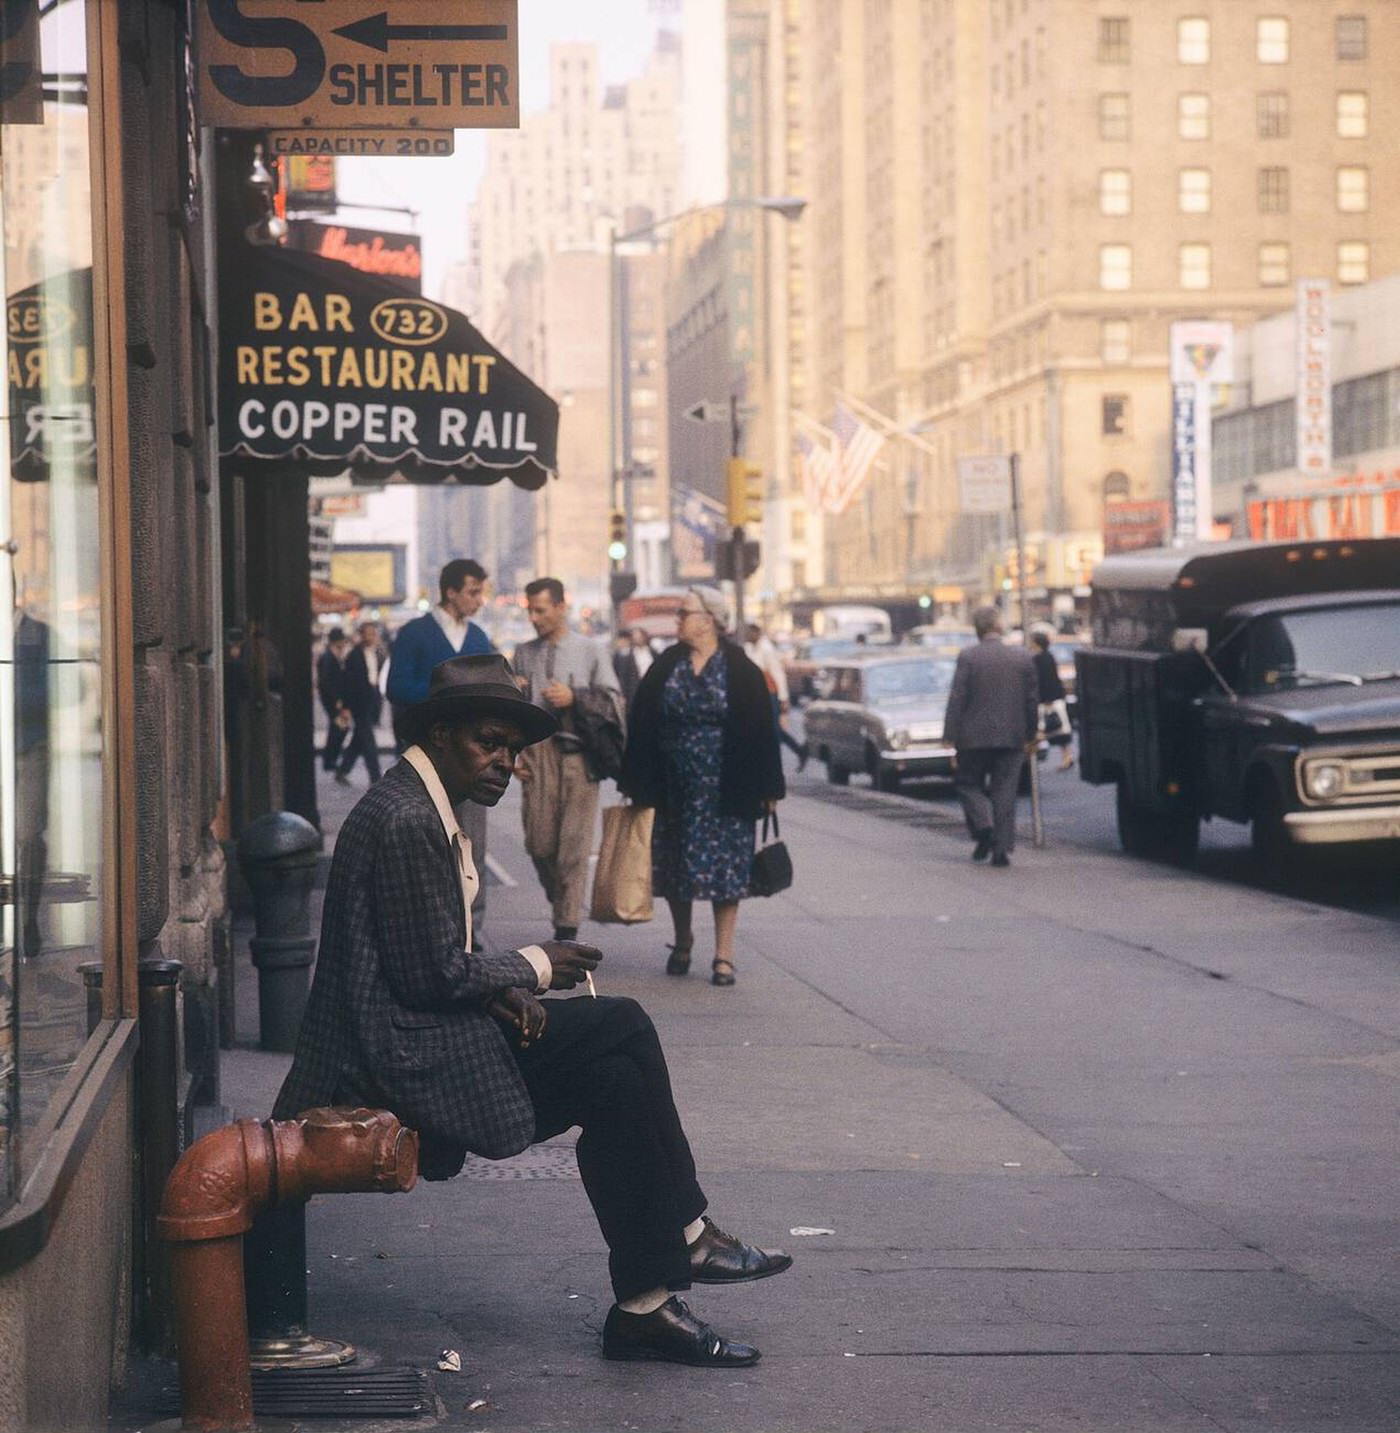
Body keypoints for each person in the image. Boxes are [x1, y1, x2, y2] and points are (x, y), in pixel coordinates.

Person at [272, 653, 791, 1367]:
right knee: (622, 1023)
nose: (505, 762)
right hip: (387, 1058)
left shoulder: (418, 804)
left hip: (412, 1035)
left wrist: (500, 988)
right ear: (443, 733)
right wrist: (535, 965)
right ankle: (690, 1232)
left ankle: (644, 1305)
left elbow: (424, 946)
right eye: (490, 741)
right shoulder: (404, 820)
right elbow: (428, 974)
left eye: (513, 749)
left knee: (616, 1084)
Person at [620, 587, 784, 987]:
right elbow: (642, 721)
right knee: (676, 866)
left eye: (683, 613)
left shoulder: (740, 668)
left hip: (727, 783)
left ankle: (723, 956)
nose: (677, 620)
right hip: (674, 785)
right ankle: (682, 941)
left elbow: (763, 729)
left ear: (709, 620)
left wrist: (769, 787)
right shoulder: (667, 663)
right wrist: (635, 781)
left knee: (727, 869)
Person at [387, 560, 494, 945]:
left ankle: (471, 929)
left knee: (473, 844)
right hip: (428, 758)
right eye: (472, 592)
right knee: (429, 842)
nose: (479, 600)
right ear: (450, 592)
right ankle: (434, 928)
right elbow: (397, 687)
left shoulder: (479, 637)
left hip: (475, 758)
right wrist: (447, 695)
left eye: (480, 592)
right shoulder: (415, 634)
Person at [512, 577, 623, 941]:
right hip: (537, 755)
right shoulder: (524, 653)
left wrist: (574, 697)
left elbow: (614, 703)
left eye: (541, 610)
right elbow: (511, 709)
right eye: (530, 610)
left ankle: (567, 927)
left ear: (561, 608)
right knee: (539, 844)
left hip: (578, 757)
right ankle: (562, 902)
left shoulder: (591, 650)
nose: (534, 618)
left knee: (572, 850)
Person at [943, 605, 1038, 868]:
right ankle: (1001, 849)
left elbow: (957, 698)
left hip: (972, 738)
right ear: (999, 627)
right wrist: (1031, 733)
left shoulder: (968, 657)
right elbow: (1032, 701)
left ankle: (983, 828)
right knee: (1005, 790)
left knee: (967, 784)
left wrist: (949, 735)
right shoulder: (1021, 658)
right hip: (1011, 737)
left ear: (977, 629)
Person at [743, 621, 808, 771]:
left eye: (748, 632)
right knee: (770, 729)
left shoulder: (766, 649)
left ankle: (782, 759)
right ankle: (799, 751)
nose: (746, 635)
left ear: (756, 633)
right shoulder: (753, 648)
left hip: (769, 693)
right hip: (758, 694)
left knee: (773, 729)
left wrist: (783, 698)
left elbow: (777, 674)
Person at [336, 621, 384, 785]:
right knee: (368, 740)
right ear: (361, 635)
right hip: (359, 702)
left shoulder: (379, 652)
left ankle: (342, 770)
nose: (370, 636)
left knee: (359, 738)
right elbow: (348, 683)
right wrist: (346, 707)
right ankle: (375, 777)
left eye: (373, 633)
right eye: (367, 633)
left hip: (373, 698)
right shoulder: (354, 655)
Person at [1029, 629, 1073, 772]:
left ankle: (1034, 762)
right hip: (1054, 698)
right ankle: (1067, 757)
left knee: (1041, 730)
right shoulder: (1049, 657)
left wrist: (1045, 699)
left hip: (1047, 700)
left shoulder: (1038, 659)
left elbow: (1044, 681)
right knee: (1060, 730)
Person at [316, 627, 351, 773]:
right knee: (339, 728)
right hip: (332, 700)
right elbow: (326, 681)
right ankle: (329, 759)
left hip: (333, 699)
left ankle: (330, 759)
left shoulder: (331, 655)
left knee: (338, 728)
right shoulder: (328, 657)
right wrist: (336, 699)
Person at [614, 626, 657, 707]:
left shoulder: (653, 652)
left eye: (639, 637)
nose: (637, 639)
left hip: (651, 687)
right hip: (634, 689)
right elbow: (623, 676)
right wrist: (622, 694)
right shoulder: (627, 655)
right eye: (635, 637)